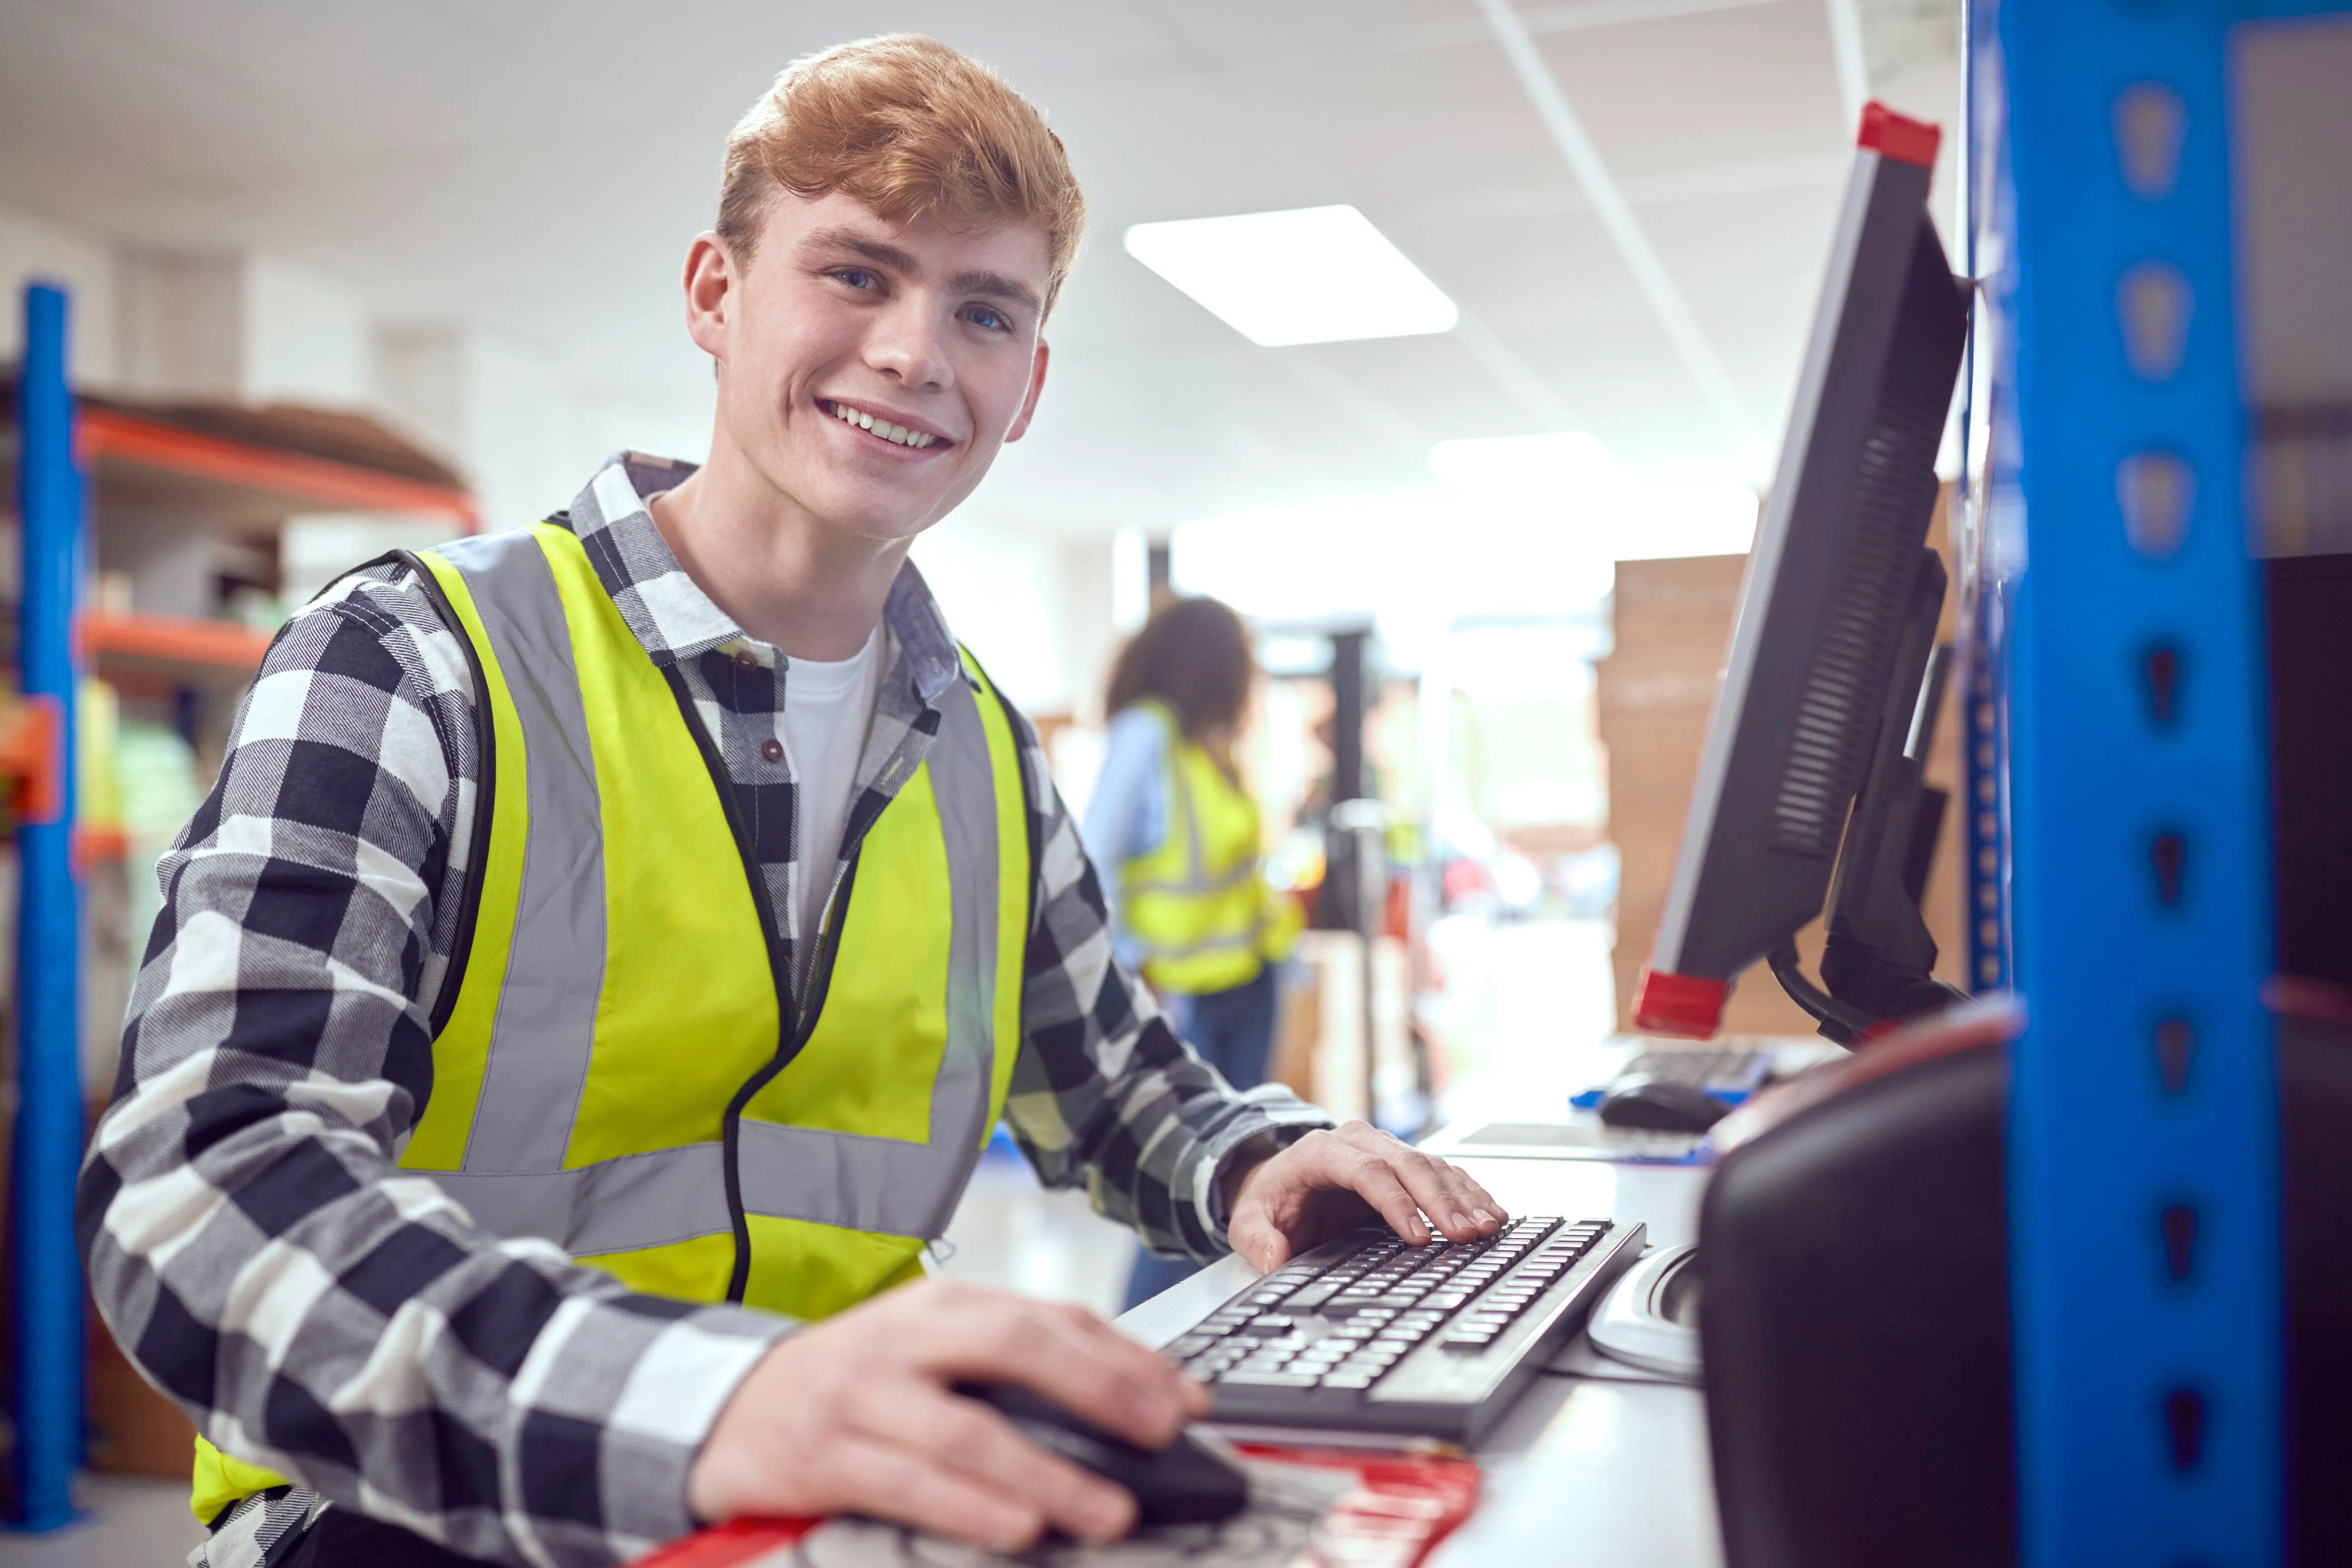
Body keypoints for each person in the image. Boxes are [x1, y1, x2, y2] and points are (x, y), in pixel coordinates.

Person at [77, 34, 1508, 1568]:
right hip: (426, 1509)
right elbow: (198, 1188)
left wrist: (1254, 1156)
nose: (913, 352)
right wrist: (715, 1400)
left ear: (1027, 385)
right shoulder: (416, 663)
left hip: (835, 1500)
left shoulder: (980, 745)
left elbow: (1116, 1086)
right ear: (714, 292)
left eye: (984, 311)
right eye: (856, 274)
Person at [1083, 596, 1305, 1310]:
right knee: (1191, 1173)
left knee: (1245, 1170)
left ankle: (1210, 1326)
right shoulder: (1147, 734)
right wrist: (1133, 963)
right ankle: (1143, 1329)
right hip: (1182, 993)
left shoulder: (1209, 746)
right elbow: (1093, 861)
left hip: (1247, 979)